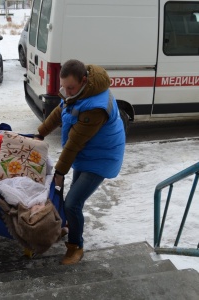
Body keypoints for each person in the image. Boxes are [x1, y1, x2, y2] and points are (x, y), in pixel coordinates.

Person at [36, 59, 125, 265]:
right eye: (64, 87)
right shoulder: (78, 92)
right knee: (73, 202)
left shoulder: (95, 107)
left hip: (101, 157)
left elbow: (74, 144)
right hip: (87, 153)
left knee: (73, 203)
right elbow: (60, 111)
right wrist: (39, 134)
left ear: (84, 80)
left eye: (71, 88)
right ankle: (69, 226)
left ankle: (76, 246)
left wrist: (59, 172)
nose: (66, 92)